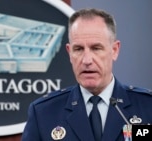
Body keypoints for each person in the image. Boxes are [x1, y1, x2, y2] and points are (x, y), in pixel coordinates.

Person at [21, 8, 152, 141]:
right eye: (78, 49)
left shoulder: (147, 107)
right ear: (69, 53)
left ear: (114, 50)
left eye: (96, 48)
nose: (87, 60)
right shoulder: (44, 113)